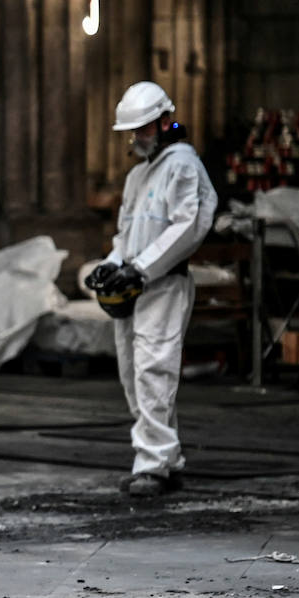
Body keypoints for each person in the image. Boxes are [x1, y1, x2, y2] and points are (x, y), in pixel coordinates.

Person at [85, 81, 217, 498]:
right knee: (134, 374)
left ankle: (154, 465)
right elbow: (126, 234)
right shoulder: (139, 175)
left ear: (164, 121)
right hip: (137, 286)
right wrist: (110, 266)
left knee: (154, 372)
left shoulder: (183, 165)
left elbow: (189, 225)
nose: (136, 137)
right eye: (133, 131)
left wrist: (140, 269)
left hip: (164, 286)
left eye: (142, 129)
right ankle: (164, 456)